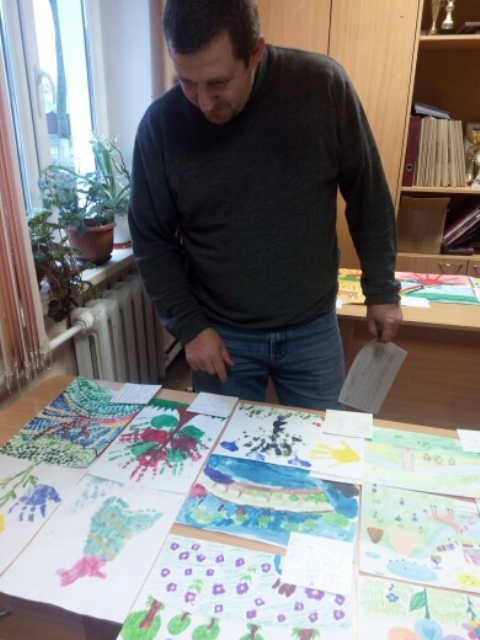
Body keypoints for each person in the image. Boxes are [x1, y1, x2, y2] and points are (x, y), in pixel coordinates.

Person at [128, 0, 402, 410]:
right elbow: (151, 239)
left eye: (218, 82)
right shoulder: (160, 125)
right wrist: (190, 329)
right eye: (186, 81)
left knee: (324, 444)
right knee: (222, 450)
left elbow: (368, 194)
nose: (204, 102)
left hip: (312, 327)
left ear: (255, 52)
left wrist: (381, 289)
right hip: (219, 335)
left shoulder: (323, 87)